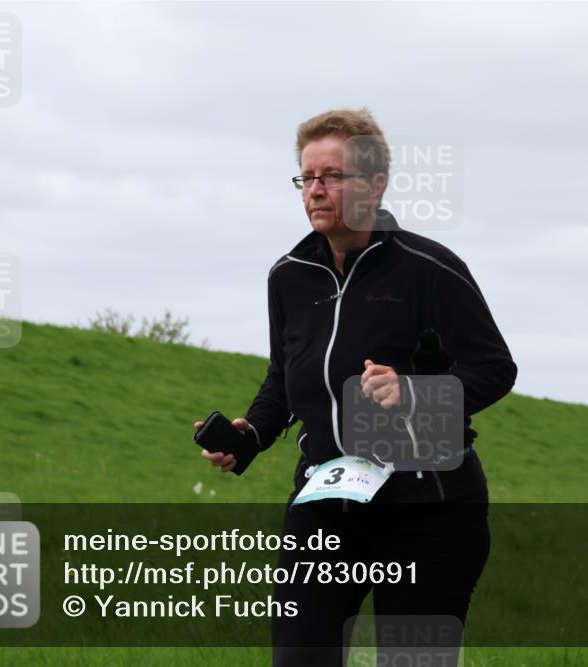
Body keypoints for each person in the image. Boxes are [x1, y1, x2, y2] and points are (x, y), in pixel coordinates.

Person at [195, 108, 517, 666]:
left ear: (375, 185)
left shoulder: (429, 269)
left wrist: (413, 393)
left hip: (429, 513)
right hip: (325, 503)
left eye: (331, 177)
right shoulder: (289, 275)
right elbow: (284, 376)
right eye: (307, 178)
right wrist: (251, 434)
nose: (315, 191)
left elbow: (495, 368)